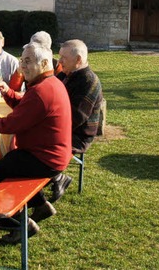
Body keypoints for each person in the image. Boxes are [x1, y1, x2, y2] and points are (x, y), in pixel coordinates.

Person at [0, 42, 71, 243]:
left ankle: (19, 226)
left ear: (46, 62)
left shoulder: (41, 90)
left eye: (28, 61)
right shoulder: (50, 83)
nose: (22, 66)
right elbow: (25, 108)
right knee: (10, 160)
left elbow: (10, 125)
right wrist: (7, 92)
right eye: (22, 60)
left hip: (45, 159)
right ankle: (41, 206)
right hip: (48, 154)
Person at [52, 39, 104, 201]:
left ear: (78, 60)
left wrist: (46, 128)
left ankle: (55, 178)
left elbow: (76, 119)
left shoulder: (88, 81)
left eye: (63, 58)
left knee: (36, 143)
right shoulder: (67, 74)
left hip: (78, 135)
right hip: (63, 128)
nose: (59, 62)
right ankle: (55, 179)